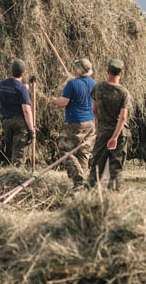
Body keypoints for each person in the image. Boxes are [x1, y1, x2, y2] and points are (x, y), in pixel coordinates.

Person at [49, 58, 96, 189]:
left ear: (78, 70)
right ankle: (84, 182)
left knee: (65, 150)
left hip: (75, 122)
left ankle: (78, 178)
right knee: (83, 152)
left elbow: (63, 102)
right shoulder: (93, 83)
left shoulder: (72, 84)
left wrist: (54, 100)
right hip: (90, 123)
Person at [87, 59, 129, 189]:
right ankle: (113, 194)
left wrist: (102, 124)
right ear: (122, 73)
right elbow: (122, 117)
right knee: (116, 167)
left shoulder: (98, 88)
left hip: (103, 131)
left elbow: (94, 110)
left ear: (107, 71)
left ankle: (90, 192)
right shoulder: (123, 93)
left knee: (97, 164)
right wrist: (115, 137)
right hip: (119, 134)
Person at [0, 58, 35, 166]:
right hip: (19, 123)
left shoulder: (2, 84)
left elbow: (16, 87)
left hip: (6, 122)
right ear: (24, 72)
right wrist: (31, 129)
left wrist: (27, 85)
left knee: (12, 150)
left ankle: (11, 173)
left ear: (11, 71)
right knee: (19, 154)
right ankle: (16, 178)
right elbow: (27, 110)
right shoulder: (21, 89)